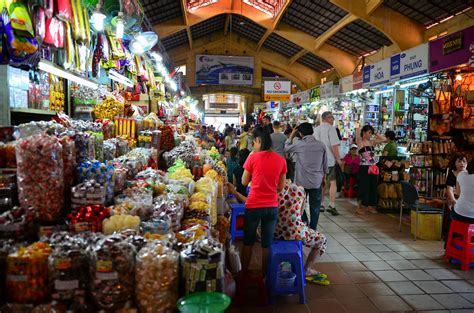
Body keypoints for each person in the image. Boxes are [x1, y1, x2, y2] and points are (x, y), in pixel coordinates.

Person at [228, 181, 329, 285]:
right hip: (296, 232)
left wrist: (234, 192)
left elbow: (252, 204)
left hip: (276, 232)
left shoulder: (272, 192)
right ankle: (306, 269)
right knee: (321, 239)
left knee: (267, 231)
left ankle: (277, 268)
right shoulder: (301, 189)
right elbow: (301, 213)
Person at [241, 126, 287, 275]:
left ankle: (244, 273)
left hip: (254, 205)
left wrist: (251, 156)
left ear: (258, 141)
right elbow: (281, 186)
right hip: (272, 206)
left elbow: (243, 181)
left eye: (253, 142)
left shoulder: (253, 157)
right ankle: (264, 275)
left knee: (248, 241)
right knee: (267, 244)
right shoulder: (281, 160)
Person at [285, 122, 329, 228]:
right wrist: (325, 178)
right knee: (315, 207)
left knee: (299, 203)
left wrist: (291, 135)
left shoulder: (299, 144)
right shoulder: (321, 145)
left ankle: (304, 222)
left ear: (300, 133)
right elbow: (325, 164)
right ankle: (313, 228)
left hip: (301, 181)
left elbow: (286, 148)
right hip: (316, 181)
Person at [314, 111, 342, 215]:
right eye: (332, 117)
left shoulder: (316, 130)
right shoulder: (331, 129)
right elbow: (334, 145)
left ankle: (321, 204)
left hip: (318, 160)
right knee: (333, 183)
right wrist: (338, 158)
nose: (333, 119)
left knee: (322, 183)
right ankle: (332, 205)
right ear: (327, 118)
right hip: (329, 160)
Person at [355, 125, 386, 214]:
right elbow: (357, 134)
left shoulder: (371, 142)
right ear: (364, 133)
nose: (370, 135)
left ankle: (369, 206)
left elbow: (384, 139)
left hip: (372, 167)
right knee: (363, 187)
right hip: (364, 168)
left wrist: (375, 132)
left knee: (372, 187)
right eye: (369, 132)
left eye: (371, 133)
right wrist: (360, 128)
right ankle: (359, 207)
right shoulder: (360, 142)